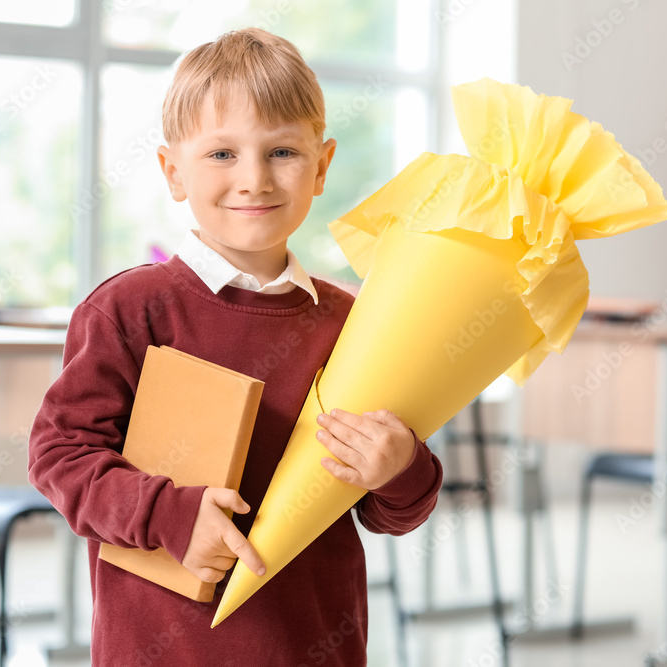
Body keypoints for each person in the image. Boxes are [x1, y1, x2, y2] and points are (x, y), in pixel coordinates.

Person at [29, 27, 442, 667]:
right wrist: (166, 514)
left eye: (282, 151)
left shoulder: (356, 323)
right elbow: (61, 456)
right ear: (173, 172)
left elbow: (391, 513)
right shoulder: (128, 310)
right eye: (222, 153)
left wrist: (403, 467)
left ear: (322, 166)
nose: (254, 179)